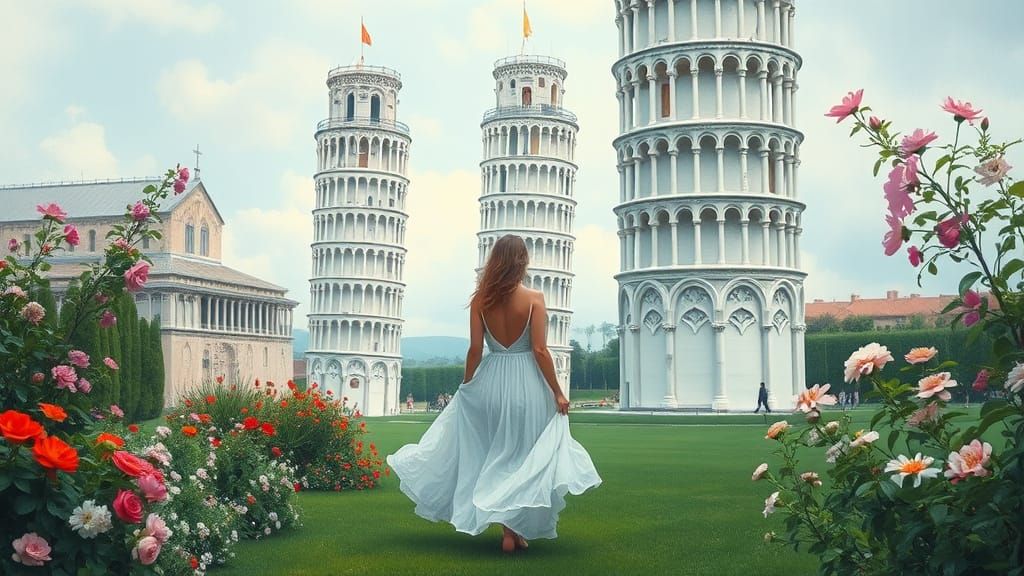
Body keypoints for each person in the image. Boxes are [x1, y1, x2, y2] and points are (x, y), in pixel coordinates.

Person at [387, 234, 601, 554]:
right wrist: (557, 392)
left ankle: (511, 530)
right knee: (521, 457)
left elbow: (475, 349)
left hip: (491, 382)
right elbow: (540, 350)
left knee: (496, 455)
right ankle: (513, 527)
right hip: (527, 385)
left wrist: (467, 385)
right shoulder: (535, 299)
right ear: (522, 261)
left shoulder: (480, 301)